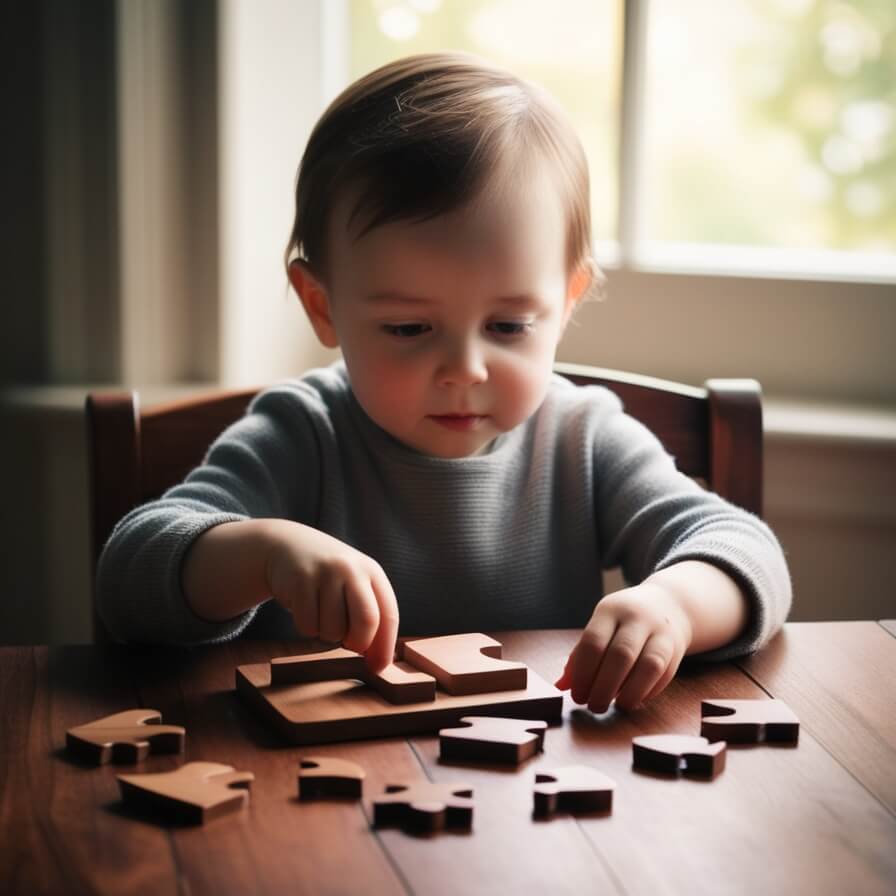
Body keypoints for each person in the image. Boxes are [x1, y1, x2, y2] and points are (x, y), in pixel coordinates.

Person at [97, 52, 791, 714]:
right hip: (318, 789)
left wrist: (673, 605)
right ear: (322, 306)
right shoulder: (302, 433)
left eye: (510, 326)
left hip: (537, 787)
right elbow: (127, 574)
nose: (466, 370)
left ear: (567, 301)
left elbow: (747, 552)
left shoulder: (582, 436)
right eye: (408, 329)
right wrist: (264, 556)